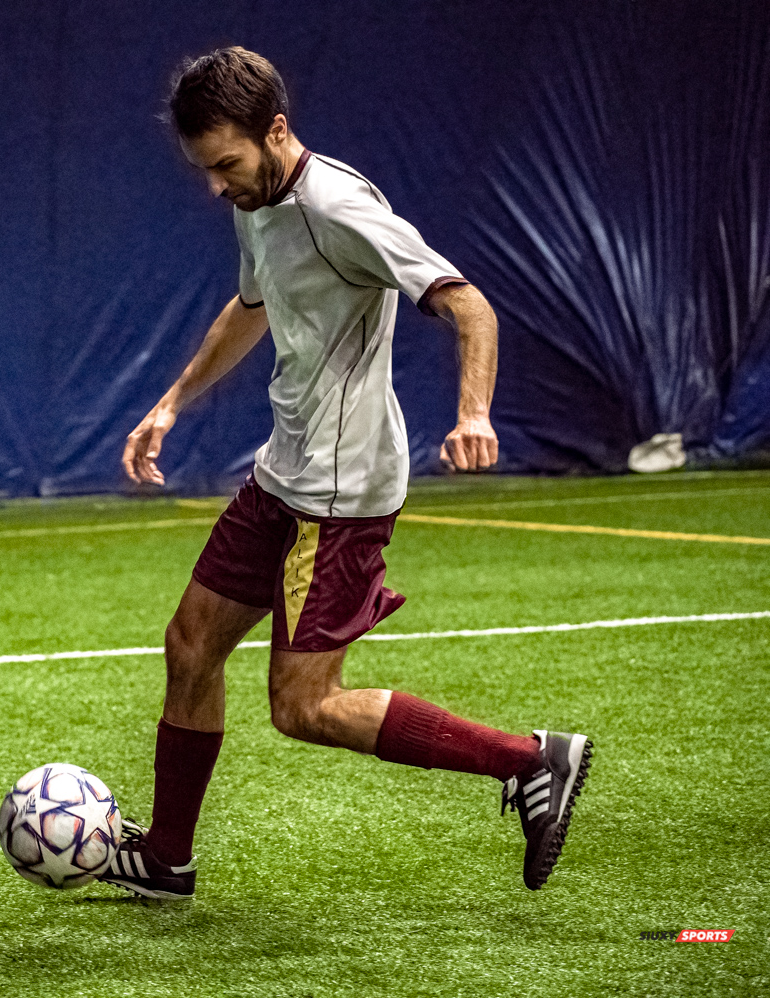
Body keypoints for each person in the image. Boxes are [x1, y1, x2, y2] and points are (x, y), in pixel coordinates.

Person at [101, 47, 591, 899]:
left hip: (340, 497)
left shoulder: (340, 208)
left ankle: (529, 761)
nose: (217, 186)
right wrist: (173, 400)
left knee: (304, 706)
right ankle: (167, 858)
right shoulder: (257, 199)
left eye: (226, 164)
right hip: (285, 472)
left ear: (276, 132)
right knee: (190, 646)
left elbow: (469, 305)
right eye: (204, 169)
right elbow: (254, 304)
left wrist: (473, 414)